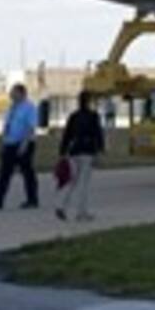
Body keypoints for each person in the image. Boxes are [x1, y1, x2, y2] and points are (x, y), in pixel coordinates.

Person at [0, 83, 39, 210]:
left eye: (14, 92)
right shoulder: (12, 108)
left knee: (27, 172)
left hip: (23, 143)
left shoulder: (29, 108)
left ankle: (32, 199)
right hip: (10, 143)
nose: (11, 95)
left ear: (22, 93)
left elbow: (30, 128)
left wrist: (24, 144)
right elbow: (7, 126)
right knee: (4, 172)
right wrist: (3, 143)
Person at [55, 91, 105, 222]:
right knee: (84, 184)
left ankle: (62, 205)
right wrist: (100, 151)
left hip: (74, 151)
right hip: (87, 151)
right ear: (89, 101)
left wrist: (62, 153)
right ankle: (81, 212)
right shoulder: (93, 116)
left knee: (72, 181)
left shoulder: (73, 116)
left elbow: (66, 135)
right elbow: (98, 134)